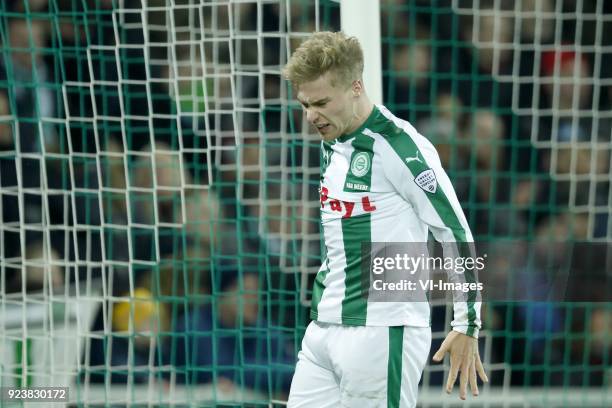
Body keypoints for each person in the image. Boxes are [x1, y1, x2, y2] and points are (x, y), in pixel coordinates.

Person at [282, 31, 488, 407]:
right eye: (305, 104)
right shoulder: (335, 141)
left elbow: (453, 230)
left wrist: (467, 322)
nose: (311, 116)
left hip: (381, 331)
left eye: (321, 103)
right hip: (322, 331)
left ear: (356, 87)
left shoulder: (399, 146)